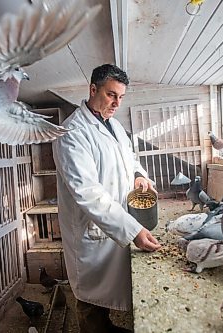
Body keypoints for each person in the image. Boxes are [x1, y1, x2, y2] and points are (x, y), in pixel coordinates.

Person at [52, 64, 161, 333]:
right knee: (91, 303)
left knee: (108, 294)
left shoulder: (113, 125)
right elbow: (87, 193)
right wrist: (133, 230)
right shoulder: (72, 133)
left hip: (115, 224)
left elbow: (129, 158)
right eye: (112, 95)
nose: (117, 103)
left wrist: (138, 174)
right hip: (92, 232)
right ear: (93, 89)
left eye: (121, 97)